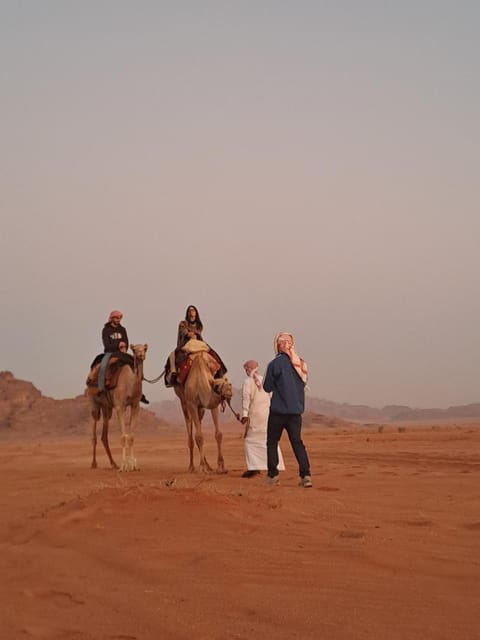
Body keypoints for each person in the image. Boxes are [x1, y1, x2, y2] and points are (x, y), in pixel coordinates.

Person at [262, 332, 312, 487]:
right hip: (295, 412)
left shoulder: (274, 364)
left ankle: (273, 476)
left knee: (272, 442)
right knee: (297, 443)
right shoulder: (301, 364)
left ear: (278, 345)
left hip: (278, 411)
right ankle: (306, 476)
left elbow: (266, 387)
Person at [240, 360, 285, 478]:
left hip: (254, 416)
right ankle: (276, 465)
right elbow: (271, 396)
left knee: (250, 441)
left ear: (248, 369)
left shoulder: (248, 382)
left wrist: (244, 414)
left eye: (246, 369)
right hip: (267, 415)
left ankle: (254, 467)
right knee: (268, 441)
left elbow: (246, 398)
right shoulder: (264, 380)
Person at [93, 310, 149, 404]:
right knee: (103, 366)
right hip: (110, 353)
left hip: (121, 353)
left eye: (119, 318)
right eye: (116, 318)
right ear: (112, 319)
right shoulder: (106, 330)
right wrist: (118, 345)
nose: (118, 320)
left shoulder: (122, 329)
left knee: (135, 363)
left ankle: (139, 393)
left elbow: (126, 341)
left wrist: (125, 347)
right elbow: (107, 344)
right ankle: (100, 390)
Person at [165, 305, 227, 386]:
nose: (191, 313)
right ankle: (173, 375)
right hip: (186, 343)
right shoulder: (183, 323)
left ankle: (220, 375)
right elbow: (183, 331)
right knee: (172, 356)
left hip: (198, 343)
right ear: (187, 313)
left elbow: (198, 332)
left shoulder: (199, 325)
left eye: (193, 311)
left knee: (213, 353)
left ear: (196, 313)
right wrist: (187, 334)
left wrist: (195, 334)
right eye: (190, 311)